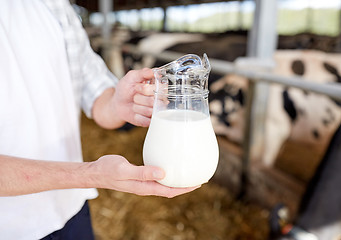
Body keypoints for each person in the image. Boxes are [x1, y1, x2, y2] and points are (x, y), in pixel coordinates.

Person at [0, 0, 199, 239]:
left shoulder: (53, 5)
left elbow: (94, 92)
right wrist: (90, 174)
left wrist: (118, 103)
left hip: (70, 205)